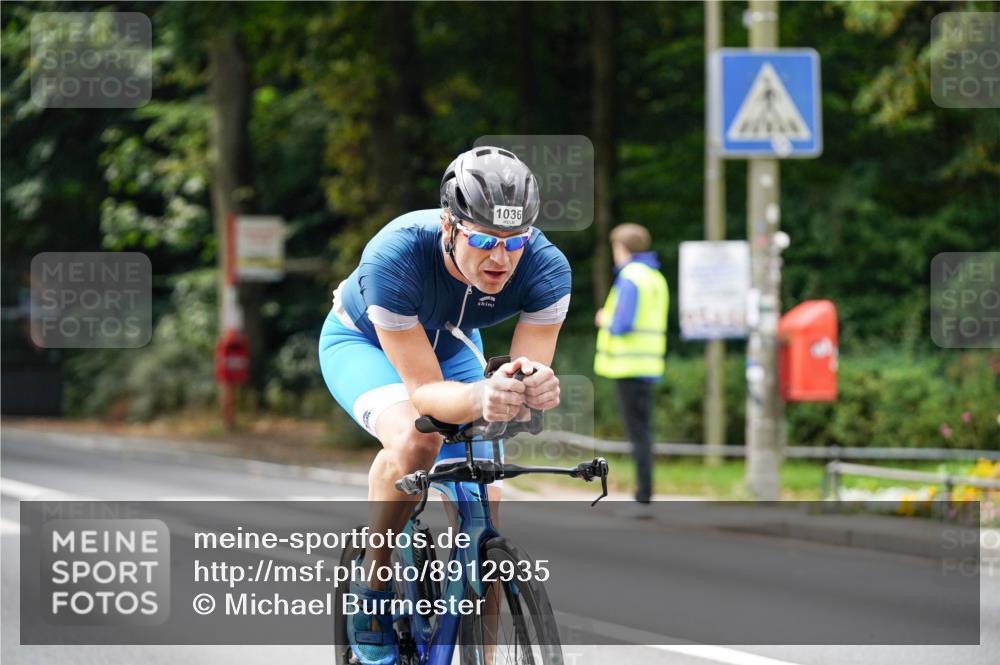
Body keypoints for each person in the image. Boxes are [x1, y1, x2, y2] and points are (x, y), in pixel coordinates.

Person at [319, 146, 570, 665]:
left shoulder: (547, 269)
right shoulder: (394, 257)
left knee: (486, 495)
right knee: (419, 440)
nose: (500, 258)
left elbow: (521, 377)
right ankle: (373, 587)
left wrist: (531, 388)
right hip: (365, 343)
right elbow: (424, 394)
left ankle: (484, 651)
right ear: (449, 226)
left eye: (514, 241)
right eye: (483, 240)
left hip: (452, 343)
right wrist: (481, 395)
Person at [594, 223, 669, 511]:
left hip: (629, 365)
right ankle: (644, 492)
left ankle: (642, 495)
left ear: (622, 248)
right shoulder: (655, 277)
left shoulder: (630, 277)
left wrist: (604, 318)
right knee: (643, 431)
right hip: (648, 363)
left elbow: (622, 323)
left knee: (638, 434)